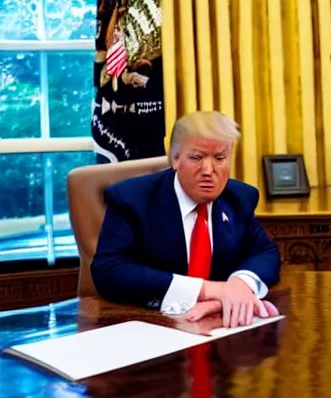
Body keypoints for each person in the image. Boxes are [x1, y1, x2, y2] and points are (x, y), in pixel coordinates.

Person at [91, 110, 280, 325]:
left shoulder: (239, 198)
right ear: (175, 159)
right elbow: (109, 270)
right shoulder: (132, 199)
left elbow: (266, 252)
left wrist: (240, 284)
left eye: (220, 158)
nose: (208, 170)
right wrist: (206, 290)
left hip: (216, 325)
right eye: (197, 158)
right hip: (149, 324)